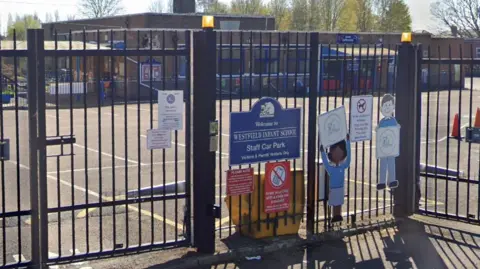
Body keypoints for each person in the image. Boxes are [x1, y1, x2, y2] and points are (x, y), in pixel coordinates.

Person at [320, 134, 351, 223]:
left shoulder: (341, 166)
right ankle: (335, 215)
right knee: (335, 202)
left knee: (338, 202)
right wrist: (322, 152)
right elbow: (325, 162)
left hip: (339, 188)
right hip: (334, 189)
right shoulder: (332, 169)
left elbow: (349, 158)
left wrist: (348, 143)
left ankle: (338, 215)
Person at [376, 94, 400, 190]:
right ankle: (382, 181)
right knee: (383, 165)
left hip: (390, 147)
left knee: (391, 164)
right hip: (383, 147)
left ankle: (392, 180)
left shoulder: (393, 121)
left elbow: (396, 128)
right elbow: (379, 129)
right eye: (385, 106)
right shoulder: (382, 122)